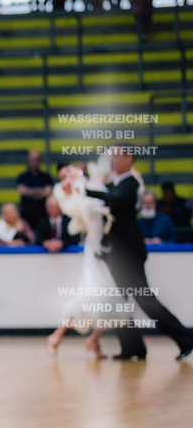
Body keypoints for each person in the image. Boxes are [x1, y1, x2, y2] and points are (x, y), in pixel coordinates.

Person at [83, 145, 193, 360]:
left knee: (145, 299)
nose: (112, 160)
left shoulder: (132, 183)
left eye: (116, 156)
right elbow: (103, 191)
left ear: (128, 158)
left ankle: (186, 339)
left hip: (128, 254)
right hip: (116, 254)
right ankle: (132, 347)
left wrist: (85, 189)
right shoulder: (116, 182)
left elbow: (113, 198)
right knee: (119, 300)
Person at [45, 158, 123, 359]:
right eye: (65, 176)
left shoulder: (92, 186)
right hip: (95, 251)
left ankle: (93, 340)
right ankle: (57, 336)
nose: (69, 177)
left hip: (104, 249)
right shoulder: (77, 198)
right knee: (91, 295)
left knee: (112, 298)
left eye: (70, 172)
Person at [16, 150, 53, 230]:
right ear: (28, 161)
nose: (34, 162)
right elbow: (21, 191)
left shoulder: (46, 177)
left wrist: (28, 191)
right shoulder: (22, 177)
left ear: (40, 161)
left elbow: (47, 192)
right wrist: (40, 191)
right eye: (32, 160)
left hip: (42, 214)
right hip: (26, 214)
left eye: (36, 160)